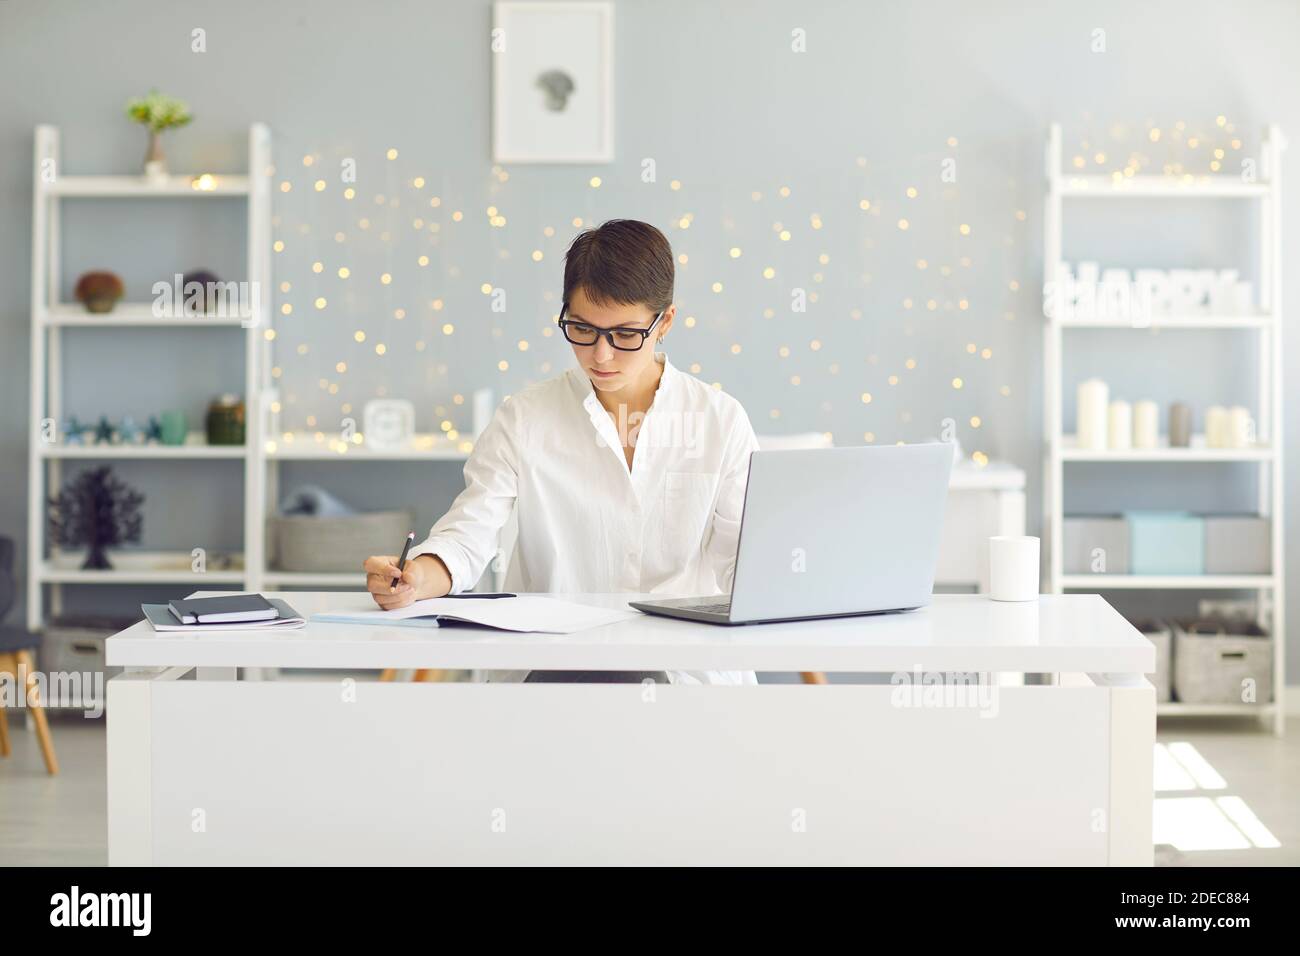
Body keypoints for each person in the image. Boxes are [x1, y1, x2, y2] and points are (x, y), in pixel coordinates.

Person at [362, 219, 760, 684]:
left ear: (664, 322)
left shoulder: (720, 420)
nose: (601, 355)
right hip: (552, 673)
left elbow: (746, 565)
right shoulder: (524, 418)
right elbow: (468, 536)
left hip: (689, 680)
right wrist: (416, 579)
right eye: (582, 329)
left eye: (625, 335)